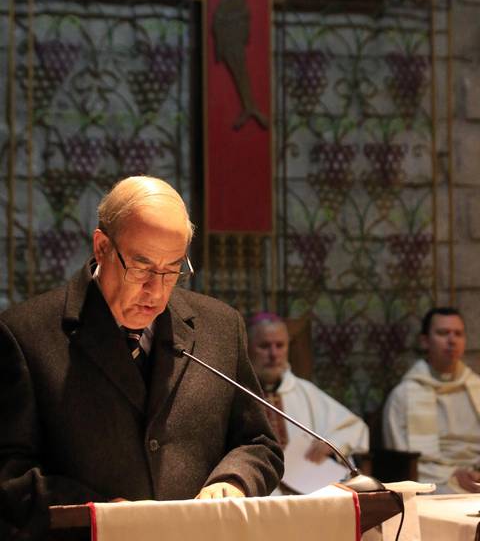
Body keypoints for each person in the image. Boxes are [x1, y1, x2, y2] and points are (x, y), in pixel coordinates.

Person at [0, 176, 283, 540]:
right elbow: (10, 475)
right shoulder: (24, 335)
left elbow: (258, 443)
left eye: (172, 271)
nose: (156, 290)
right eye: (142, 267)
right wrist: (101, 514)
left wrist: (234, 481)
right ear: (102, 246)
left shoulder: (220, 327)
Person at [139, 0, 338, 130]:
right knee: (234, 60)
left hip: (240, 15)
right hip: (224, 15)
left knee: (239, 60)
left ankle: (250, 107)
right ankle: (250, 107)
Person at [247, 312, 368, 493]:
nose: (273, 354)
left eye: (280, 346)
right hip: (256, 494)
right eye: (264, 346)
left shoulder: (304, 391)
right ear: (247, 348)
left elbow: (356, 428)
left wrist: (331, 443)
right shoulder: (237, 392)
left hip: (304, 494)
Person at [383, 307, 480, 493]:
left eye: (458, 334)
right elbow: (401, 463)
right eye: (443, 333)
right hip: (434, 481)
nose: (452, 340)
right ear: (425, 341)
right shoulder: (404, 395)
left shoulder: (476, 387)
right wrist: (451, 475)